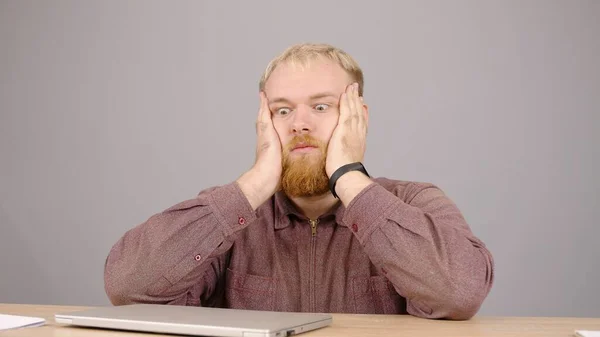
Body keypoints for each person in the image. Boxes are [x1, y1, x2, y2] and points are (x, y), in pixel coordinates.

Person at [103, 43, 494, 320]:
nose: (300, 123)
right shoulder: (229, 213)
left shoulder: (415, 201)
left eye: (321, 106)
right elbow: (127, 285)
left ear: (359, 116)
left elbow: (459, 293)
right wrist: (256, 183)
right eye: (282, 110)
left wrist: (348, 176)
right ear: (263, 122)